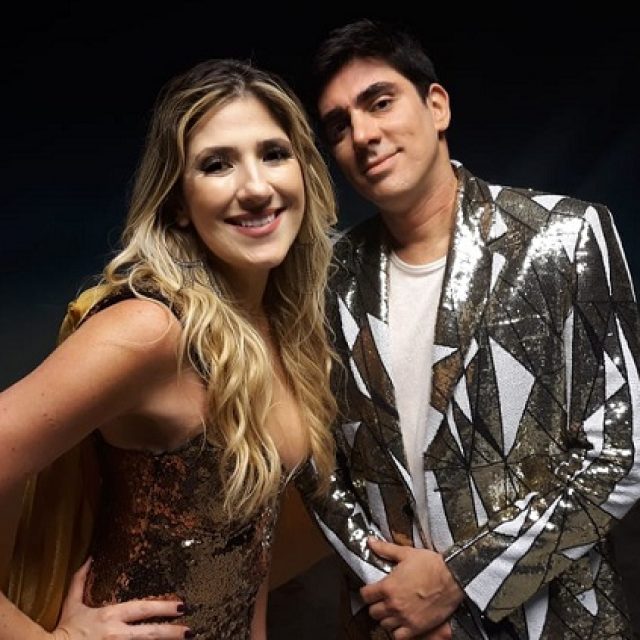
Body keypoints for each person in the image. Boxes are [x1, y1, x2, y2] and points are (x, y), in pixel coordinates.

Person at [297, 18, 640, 639]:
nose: (363, 135)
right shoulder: (325, 281)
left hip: (554, 622)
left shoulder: (563, 236)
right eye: (339, 125)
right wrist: (395, 594)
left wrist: (460, 580)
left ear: (437, 106)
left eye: (380, 102)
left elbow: (622, 452)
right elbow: (317, 464)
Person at [0, 57, 338, 639]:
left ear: (303, 171)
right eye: (216, 164)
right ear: (178, 201)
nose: (257, 188)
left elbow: (248, 563)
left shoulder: (278, 329)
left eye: (273, 154)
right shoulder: (152, 331)